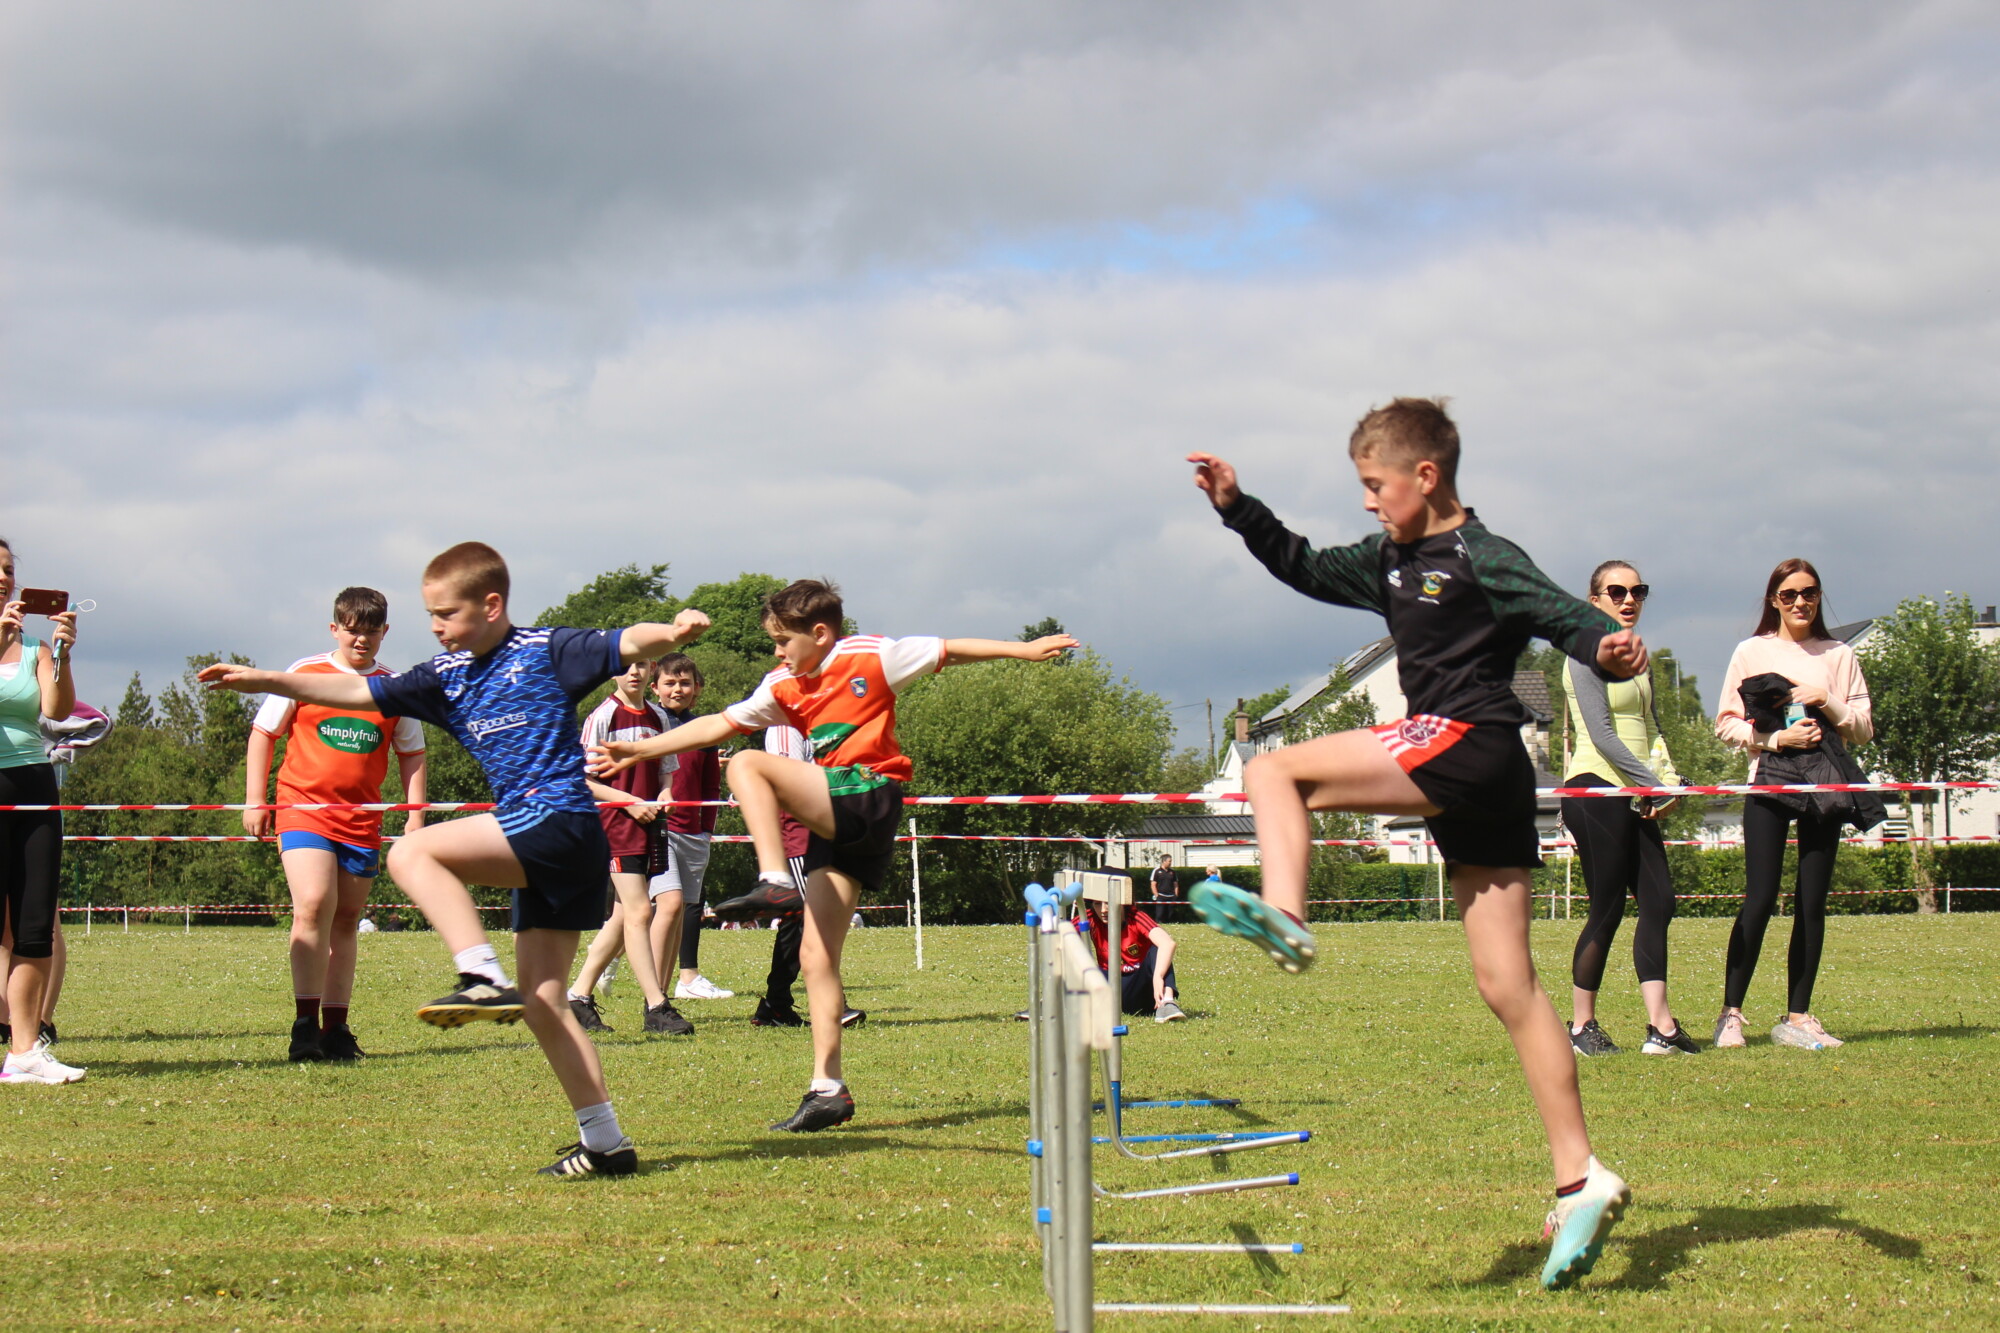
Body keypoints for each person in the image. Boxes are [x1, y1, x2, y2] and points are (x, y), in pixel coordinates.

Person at [1187, 398, 1647, 1290]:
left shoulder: (1485, 556)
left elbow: (1563, 615)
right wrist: (1238, 508)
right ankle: (1581, 1174)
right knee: (1508, 985)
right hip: (1481, 775)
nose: (1367, 502)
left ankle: (1286, 914)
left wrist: (1610, 646)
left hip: (1466, 741)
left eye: (1375, 485)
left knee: (1276, 772)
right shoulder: (1389, 559)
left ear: (1425, 476)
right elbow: (1306, 567)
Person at [202, 541, 709, 1178]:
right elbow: (357, 691)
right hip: (552, 844)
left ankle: (479, 974)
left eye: (446, 613)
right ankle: (606, 1143)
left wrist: (673, 630)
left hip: (558, 822)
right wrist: (264, 679)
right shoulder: (444, 678)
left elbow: (628, 643)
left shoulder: (543, 649)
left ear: (492, 604)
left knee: (413, 851)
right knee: (545, 1002)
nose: (436, 626)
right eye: (430, 615)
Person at [593, 578, 1075, 1132]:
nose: (775, 652)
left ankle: (774, 878)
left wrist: (1025, 649)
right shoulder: (782, 684)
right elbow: (717, 724)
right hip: (837, 821)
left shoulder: (874, 655)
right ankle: (828, 1089)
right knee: (816, 958)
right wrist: (639, 747)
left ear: (820, 634)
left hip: (868, 791)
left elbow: (952, 648)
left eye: (782, 640)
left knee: (746, 765)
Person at [245, 587, 428, 1064]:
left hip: (362, 820)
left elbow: (412, 754)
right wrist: (254, 800)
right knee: (312, 904)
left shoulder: (395, 689)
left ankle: (336, 1028)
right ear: (335, 629)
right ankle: (304, 1026)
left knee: (347, 920)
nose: (361, 639)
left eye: (371, 630)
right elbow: (263, 733)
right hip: (303, 809)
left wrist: (415, 817)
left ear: (384, 632)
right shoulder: (304, 674)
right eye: (352, 629)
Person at [1712, 558, 1873, 1052]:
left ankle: (1798, 1016)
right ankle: (1731, 1014)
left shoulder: (1839, 655)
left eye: (1809, 593)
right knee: (1759, 898)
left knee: (1812, 903)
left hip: (1824, 785)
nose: (1799, 602)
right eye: (1789, 594)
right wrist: (1777, 738)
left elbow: (1863, 728)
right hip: (1770, 782)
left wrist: (1827, 700)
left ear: (1819, 597)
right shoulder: (1750, 651)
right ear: (1773, 600)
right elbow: (1725, 724)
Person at [1559, 562, 1697, 1058]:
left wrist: (1671, 781)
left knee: (1659, 901)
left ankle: (1661, 1027)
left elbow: (1652, 728)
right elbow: (1603, 735)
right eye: (1616, 591)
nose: (1628, 598)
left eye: (1637, 590)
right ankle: (1580, 1027)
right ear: (1594, 600)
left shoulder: (1638, 658)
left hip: (1638, 791)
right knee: (1607, 907)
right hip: (1596, 787)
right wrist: (1652, 786)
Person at [565, 657, 691, 1036]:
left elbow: (667, 769)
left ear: (651, 668)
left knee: (623, 918)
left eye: (641, 664)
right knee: (640, 912)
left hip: (651, 825)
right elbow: (583, 779)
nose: (634, 672)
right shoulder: (603, 716)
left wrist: (665, 795)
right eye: (626, 666)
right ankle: (657, 1005)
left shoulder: (658, 716)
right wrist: (628, 802)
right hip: (616, 826)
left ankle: (577, 997)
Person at [0, 537, 85, 1085]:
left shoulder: (34, 649)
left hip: (33, 784)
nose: (4, 580)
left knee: (34, 925)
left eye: (8, 571)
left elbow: (55, 711)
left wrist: (62, 652)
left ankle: (26, 1052)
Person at [750, 723, 866, 1030]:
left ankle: (776, 1005)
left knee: (798, 922)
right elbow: (789, 779)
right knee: (818, 916)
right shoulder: (785, 727)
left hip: (819, 828)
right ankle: (832, 1005)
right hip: (800, 831)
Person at [654, 654, 733, 1003]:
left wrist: (705, 829)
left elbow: (710, 785)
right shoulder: (647, 722)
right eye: (670, 682)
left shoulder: (706, 729)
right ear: (655, 687)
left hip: (693, 832)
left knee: (686, 907)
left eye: (685, 682)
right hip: (654, 827)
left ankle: (683, 980)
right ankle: (650, 992)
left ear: (697, 688)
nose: (678, 689)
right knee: (658, 908)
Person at [1081, 899, 1186, 1022]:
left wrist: (1158, 976)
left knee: (1158, 949)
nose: (1103, 910)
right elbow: (1061, 932)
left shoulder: (1136, 917)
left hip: (1140, 988)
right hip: (1109, 987)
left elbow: (1167, 943)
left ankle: (1167, 1003)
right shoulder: (1089, 917)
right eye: (1097, 904)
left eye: (1108, 903)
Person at [1148, 853, 1180, 920]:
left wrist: (1176, 895)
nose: (1170, 863)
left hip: (1171, 897)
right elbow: (1153, 884)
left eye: (1171, 861)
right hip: (1161, 896)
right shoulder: (1156, 871)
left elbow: (1176, 884)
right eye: (1169, 861)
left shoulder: (1173, 872)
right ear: (1164, 861)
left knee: (1170, 915)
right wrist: (1157, 895)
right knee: (1160, 915)